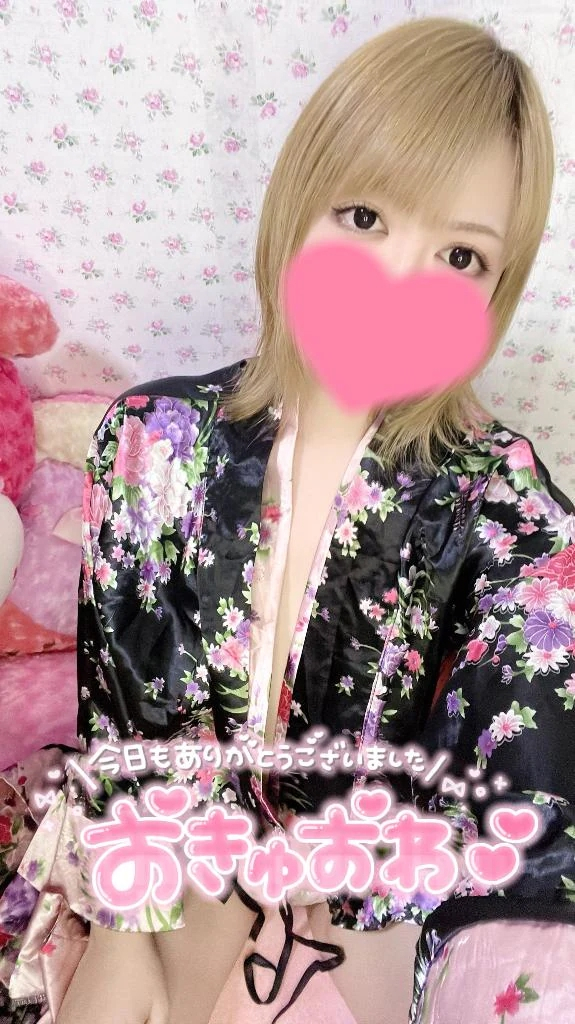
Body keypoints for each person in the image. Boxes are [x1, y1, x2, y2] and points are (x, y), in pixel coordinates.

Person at [2, 14, 575, 1024]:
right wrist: (134, 932)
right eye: (363, 216)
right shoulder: (152, 439)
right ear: (296, 202)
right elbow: (129, 721)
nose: (398, 280)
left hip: (375, 879)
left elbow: (525, 778)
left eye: (459, 256)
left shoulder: (506, 507)